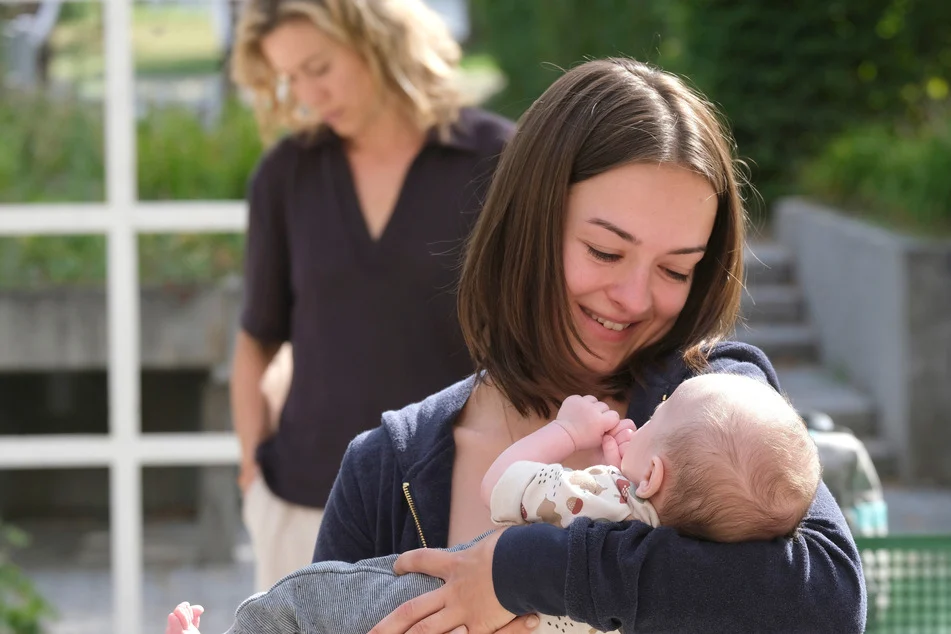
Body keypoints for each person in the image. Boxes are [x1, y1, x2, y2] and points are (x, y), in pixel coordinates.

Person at [312, 56, 866, 634]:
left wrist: (519, 571)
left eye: (676, 271)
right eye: (605, 252)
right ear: (529, 223)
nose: (633, 298)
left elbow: (829, 601)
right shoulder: (384, 469)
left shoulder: (717, 398)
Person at [166, 373, 822, 634]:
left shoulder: (597, 498)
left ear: (649, 477)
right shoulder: (689, 580)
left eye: (661, 411)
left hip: (423, 600)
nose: (648, 408)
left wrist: (567, 433)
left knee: (300, 605)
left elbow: (502, 486)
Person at [227, 0, 514, 591]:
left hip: (454, 504)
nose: (307, 93)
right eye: (291, 78)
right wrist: (253, 473)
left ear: (377, 40)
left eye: (319, 67)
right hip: (303, 499)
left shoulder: (498, 160)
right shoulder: (286, 175)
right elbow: (258, 336)